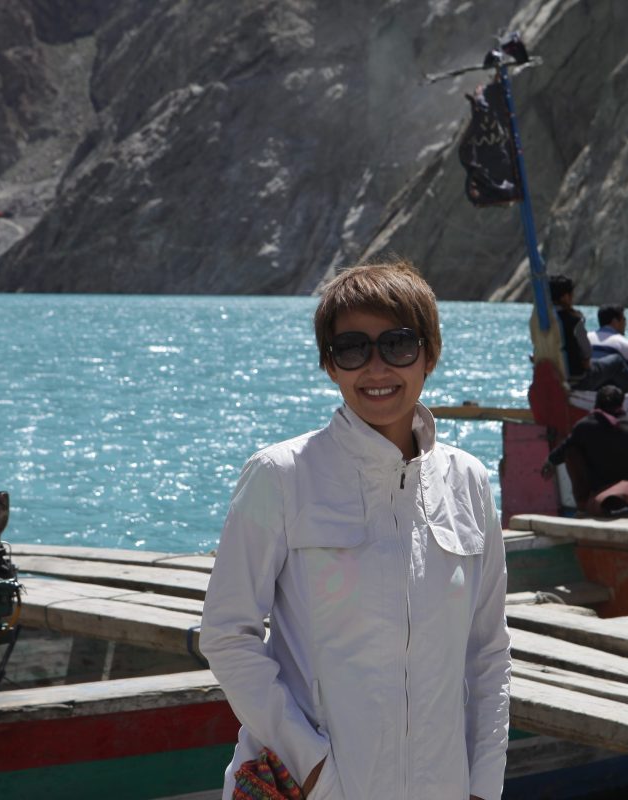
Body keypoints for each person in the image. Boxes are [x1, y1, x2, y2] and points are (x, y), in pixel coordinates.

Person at [199, 260, 511, 800]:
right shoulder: (280, 475)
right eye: (352, 349)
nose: (376, 367)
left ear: (430, 354)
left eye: (398, 344)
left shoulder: (469, 481)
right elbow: (227, 635)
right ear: (329, 364)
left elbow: (488, 652)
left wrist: (483, 786)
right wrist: (315, 768)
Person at [541, 385, 628, 514]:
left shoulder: (584, 427)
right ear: (622, 403)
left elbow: (563, 450)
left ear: (596, 403)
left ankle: (584, 506)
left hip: (603, 497)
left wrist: (550, 462)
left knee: (571, 452)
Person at [551, 275, 628, 399]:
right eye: (571, 295)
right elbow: (587, 353)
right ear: (565, 297)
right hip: (577, 381)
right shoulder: (574, 320)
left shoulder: (541, 321)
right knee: (616, 361)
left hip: (554, 376)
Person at [589, 304, 628, 393]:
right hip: (610, 397)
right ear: (615, 322)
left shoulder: (586, 339)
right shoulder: (623, 344)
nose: (626, 323)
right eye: (624, 319)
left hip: (585, 393)